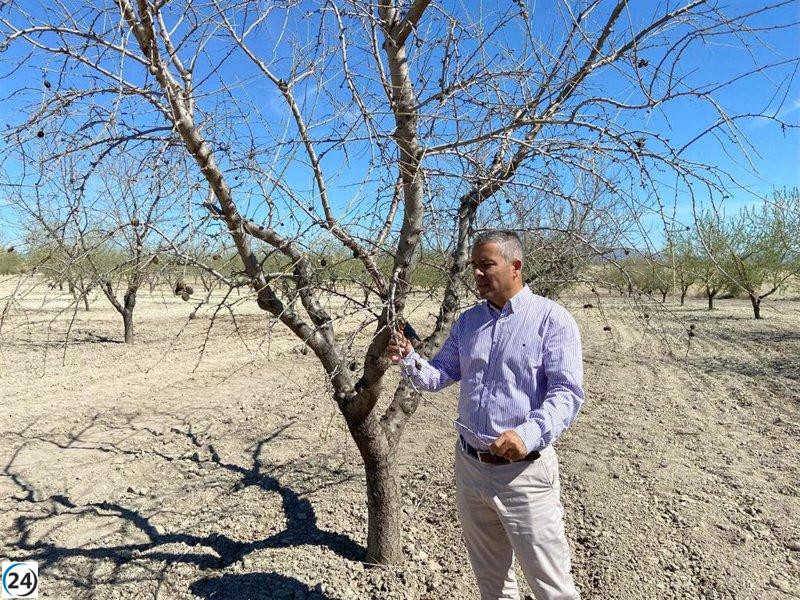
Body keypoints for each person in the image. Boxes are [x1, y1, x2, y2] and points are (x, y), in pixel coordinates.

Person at [388, 230, 583, 600]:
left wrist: (528, 433)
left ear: (515, 267)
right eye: (474, 266)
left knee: (551, 587)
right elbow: (440, 375)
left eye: (486, 265)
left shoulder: (552, 320)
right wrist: (410, 358)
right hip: (471, 469)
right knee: (492, 584)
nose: (476, 274)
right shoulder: (468, 322)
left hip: (524, 475)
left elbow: (567, 393)